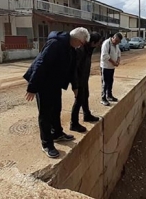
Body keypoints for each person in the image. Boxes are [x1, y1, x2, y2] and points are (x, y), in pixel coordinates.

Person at [23, 27, 90, 158]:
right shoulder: (55, 44)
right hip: (42, 82)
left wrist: (75, 87)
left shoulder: (71, 48)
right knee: (45, 114)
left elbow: (72, 70)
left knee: (56, 109)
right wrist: (32, 87)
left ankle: (57, 134)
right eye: (81, 43)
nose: (80, 47)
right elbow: (41, 64)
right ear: (77, 39)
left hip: (55, 83)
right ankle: (47, 144)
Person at [70, 32, 102, 132]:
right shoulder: (81, 50)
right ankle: (73, 123)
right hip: (79, 80)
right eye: (98, 43)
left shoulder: (89, 49)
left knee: (85, 96)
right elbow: (74, 68)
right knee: (79, 100)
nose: (98, 45)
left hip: (84, 78)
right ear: (92, 42)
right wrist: (75, 84)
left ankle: (86, 114)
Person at [100, 32, 122, 106]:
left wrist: (118, 61)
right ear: (113, 37)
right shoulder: (106, 43)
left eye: (118, 42)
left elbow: (119, 53)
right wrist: (113, 62)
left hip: (112, 67)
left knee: (110, 81)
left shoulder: (116, 45)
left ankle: (109, 95)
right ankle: (103, 98)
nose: (116, 43)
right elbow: (105, 55)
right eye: (116, 41)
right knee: (105, 83)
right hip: (105, 66)